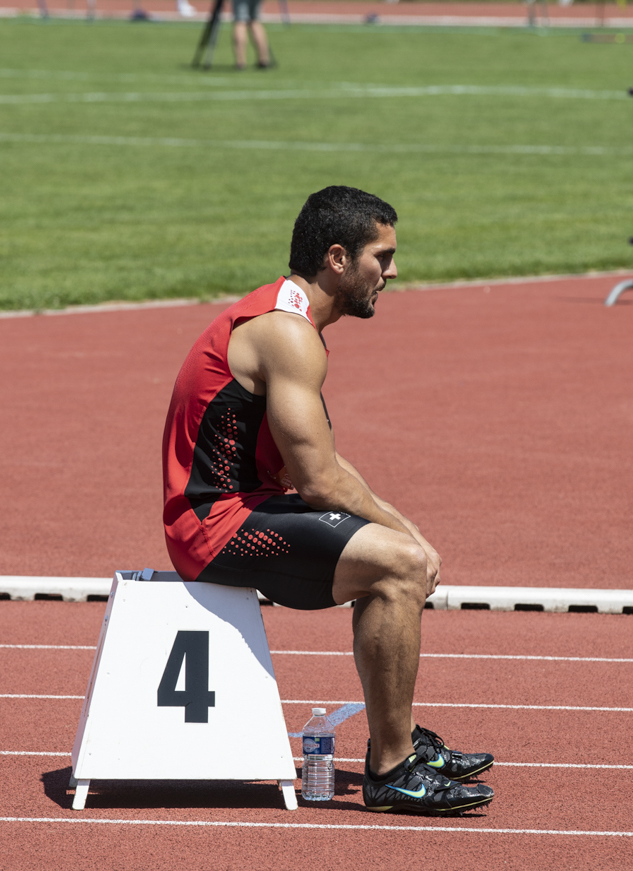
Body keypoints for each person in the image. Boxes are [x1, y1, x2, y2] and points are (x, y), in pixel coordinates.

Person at [162, 186, 495, 815]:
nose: (392, 272)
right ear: (337, 259)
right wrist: (410, 540)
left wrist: (402, 527)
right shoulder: (286, 335)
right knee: (400, 565)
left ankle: (398, 741)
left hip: (247, 507)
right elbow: (317, 481)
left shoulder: (289, 320)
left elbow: (322, 461)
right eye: (382, 257)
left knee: (396, 555)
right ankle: (392, 770)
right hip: (213, 527)